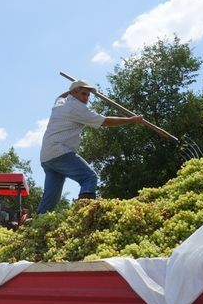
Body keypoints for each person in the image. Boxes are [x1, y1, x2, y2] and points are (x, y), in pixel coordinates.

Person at [36, 80, 144, 214]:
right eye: (83, 94)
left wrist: (73, 89)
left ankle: (35, 223)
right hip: (60, 151)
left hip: (47, 157)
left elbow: (60, 96)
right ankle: (83, 214)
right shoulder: (77, 108)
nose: (86, 98)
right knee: (89, 177)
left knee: (50, 199)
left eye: (88, 95)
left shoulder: (60, 103)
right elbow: (105, 121)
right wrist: (130, 120)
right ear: (73, 93)